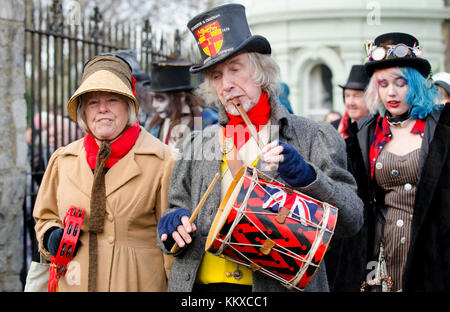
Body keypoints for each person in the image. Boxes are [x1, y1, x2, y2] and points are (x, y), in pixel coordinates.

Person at [157, 3, 364, 292]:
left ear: (261, 70)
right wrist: (171, 228)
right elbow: (176, 214)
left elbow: (351, 220)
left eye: (235, 68)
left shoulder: (312, 136)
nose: (226, 84)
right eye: (216, 75)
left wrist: (307, 177)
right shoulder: (196, 143)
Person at [33, 55, 175, 291]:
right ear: (83, 112)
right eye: (92, 102)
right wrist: (51, 236)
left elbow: (172, 245)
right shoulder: (63, 159)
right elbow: (44, 217)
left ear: (128, 105)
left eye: (112, 99)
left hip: (136, 284)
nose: (102, 110)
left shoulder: (161, 160)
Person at [346, 32, 449, 292]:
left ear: (415, 84)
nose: (391, 92)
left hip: (431, 253)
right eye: (382, 84)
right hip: (381, 255)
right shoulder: (366, 134)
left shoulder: (442, 129)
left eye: (400, 83)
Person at [148, 59, 218, 148]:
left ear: (181, 96)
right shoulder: (157, 123)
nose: (154, 104)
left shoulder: (207, 121)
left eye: (160, 99)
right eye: (153, 97)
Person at [334, 65, 370, 138]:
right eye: (347, 96)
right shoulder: (333, 128)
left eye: (356, 96)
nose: (350, 103)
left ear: (370, 98)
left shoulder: (380, 129)